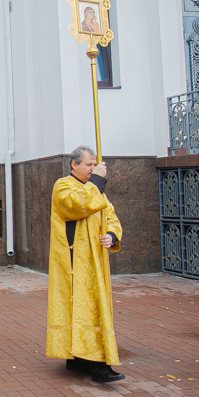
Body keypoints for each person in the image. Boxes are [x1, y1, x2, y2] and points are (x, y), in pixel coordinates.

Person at [46, 146, 124, 384]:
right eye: (89, 165)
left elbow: (110, 215)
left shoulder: (95, 189)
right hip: (74, 262)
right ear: (74, 165)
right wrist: (98, 179)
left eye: (94, 165)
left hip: (95, 260)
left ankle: (78, 359)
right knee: (85, 307)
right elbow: (77, 206)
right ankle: (98, 365)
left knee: (92, 306)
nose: (92, 169)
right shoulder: (63, 185)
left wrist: (112, 234)